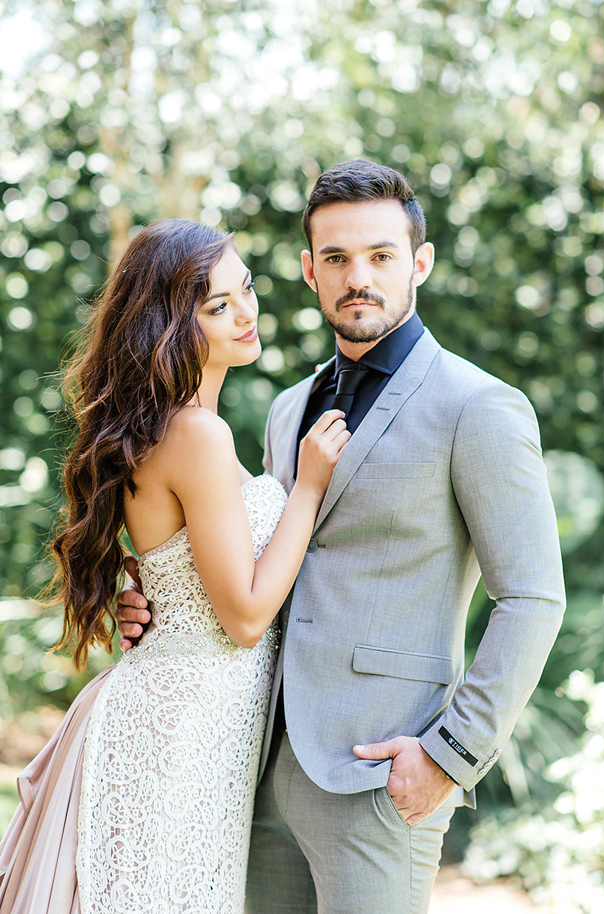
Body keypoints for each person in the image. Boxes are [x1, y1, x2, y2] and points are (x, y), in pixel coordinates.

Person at [116, 160, 566, 914]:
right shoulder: (290, 408)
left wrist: (448, 758)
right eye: (337, 258)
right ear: (309, 270)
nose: (359, 276)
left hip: (379, 774)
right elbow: (257, 567)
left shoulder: (479, 407)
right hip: (252, 768)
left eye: (381, 256)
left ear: (419, 263)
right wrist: (158, 598)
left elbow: (532, 596)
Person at [0, 219, 350, 914]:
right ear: (169, 326)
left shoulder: (174, 426)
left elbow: (184, 573)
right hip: (176, 732)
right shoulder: (196, 433)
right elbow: (246, 617)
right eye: (218, 306)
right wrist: (308, 487)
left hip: (195, 725)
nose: (246, 313)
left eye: (244, 288)